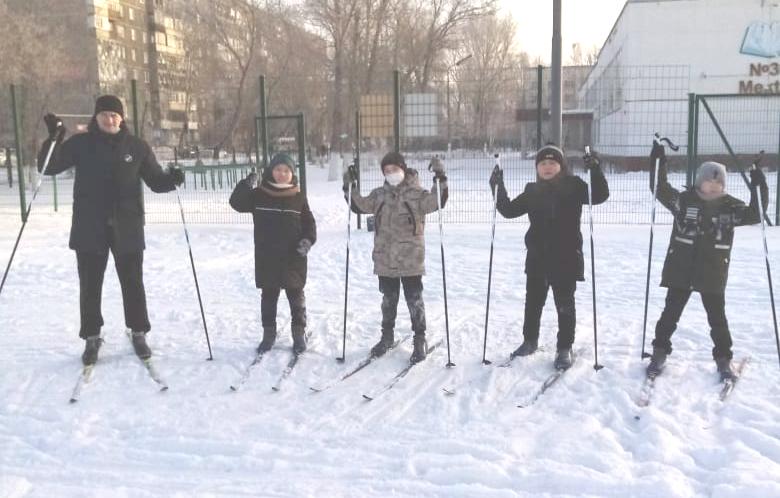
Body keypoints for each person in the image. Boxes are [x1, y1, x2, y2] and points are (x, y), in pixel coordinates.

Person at [37, 95, 185, 365]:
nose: (109, 119)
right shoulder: (81, 144)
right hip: (89, 226)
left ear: (122, 117)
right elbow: (49, 167)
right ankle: (91, 337)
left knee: (133, 282)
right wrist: (55, 137)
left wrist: (172, 179)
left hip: (127, 225)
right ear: (96, 117)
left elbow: (155, 181)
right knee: (90, 285)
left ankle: (138, 332)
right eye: (104, 114)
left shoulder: (136, 146)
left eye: (114, 114)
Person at [645, 143, 768, 380]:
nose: (712, 187)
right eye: (708, 182)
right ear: (699, 181)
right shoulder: (683, 201)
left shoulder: (731, 207)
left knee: (717, 319)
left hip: (712, 272)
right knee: (670, 314)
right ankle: (659, 352)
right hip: (681, 270)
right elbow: (659, 188)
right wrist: (658, 160)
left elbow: (756, 212)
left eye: (718, 184)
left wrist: (758, 182)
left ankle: (723, 358)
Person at [489, 144, 609, 370]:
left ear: (561, 166)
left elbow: (600, 195)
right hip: (537, 257)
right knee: (533, 303)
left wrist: (595, 169)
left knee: (565, 305)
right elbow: (508, 210)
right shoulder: (532, 190)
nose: (547, 167)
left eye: (552, 163)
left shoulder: (574, 186)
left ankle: (564, 347)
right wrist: (497, 185)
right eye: (542, 163)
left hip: (566, 257)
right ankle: (530, 340)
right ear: (537, 167)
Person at [342, 151, 447, 364]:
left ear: (403, 169)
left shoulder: (417, 194)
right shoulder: (379, 194)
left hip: (410, 259)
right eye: (387, 171)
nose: (391, 173)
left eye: (395, 169)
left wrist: (440, 176)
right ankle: (386, 336)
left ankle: (419, 338)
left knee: (414, 300)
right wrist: (349, 186)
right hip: (385, 258)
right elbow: (359, 205)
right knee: (388, 300)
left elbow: (438, 201)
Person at [229, 153, 316, 355]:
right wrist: (245, 184)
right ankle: (268, 334)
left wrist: (307, 241)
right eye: (278, 169)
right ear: (271, 171)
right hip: (267, 256)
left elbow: (309, 224)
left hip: (293, 256)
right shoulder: (259, 194)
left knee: (296, 296)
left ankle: (298, 333)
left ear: (292, 174)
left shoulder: (298, 197)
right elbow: (236, 203)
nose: (282, 174)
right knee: (269, 297)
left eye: (286, 170)